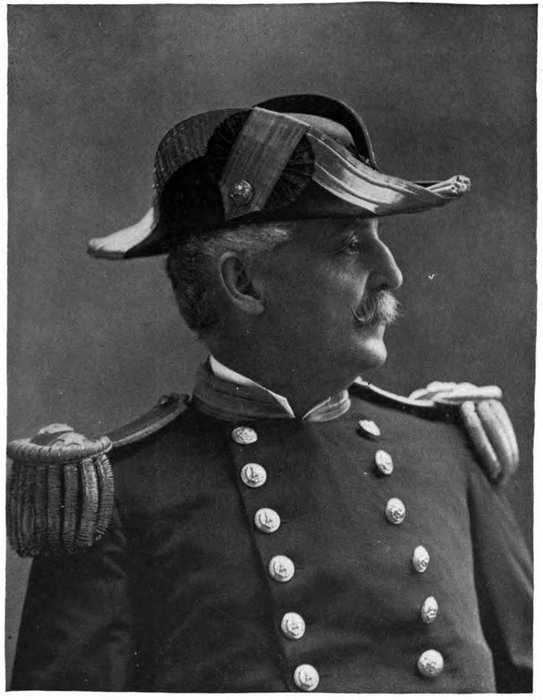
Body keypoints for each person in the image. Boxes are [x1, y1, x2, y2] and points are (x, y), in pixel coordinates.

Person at [7, 94, 532, 692]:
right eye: (350, 244)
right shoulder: (116, 496)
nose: (392, 273)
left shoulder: (446, 451)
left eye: (377, 238)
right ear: (243, 282)